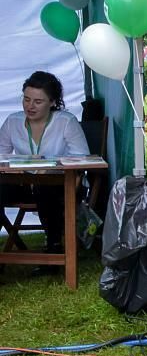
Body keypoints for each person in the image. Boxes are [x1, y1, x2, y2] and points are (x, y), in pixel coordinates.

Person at [0, 72, 89, 263]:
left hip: (60, 185)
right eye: (26, 99)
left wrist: (50, 167)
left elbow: (82, 159)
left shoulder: (66, 121)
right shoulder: (12, 122)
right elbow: (1, 156)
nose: (30, 106)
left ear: (52, 102)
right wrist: (19, 164)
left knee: (45, 188)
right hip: (24, 184)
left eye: (38, 101)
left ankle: (54, 248)